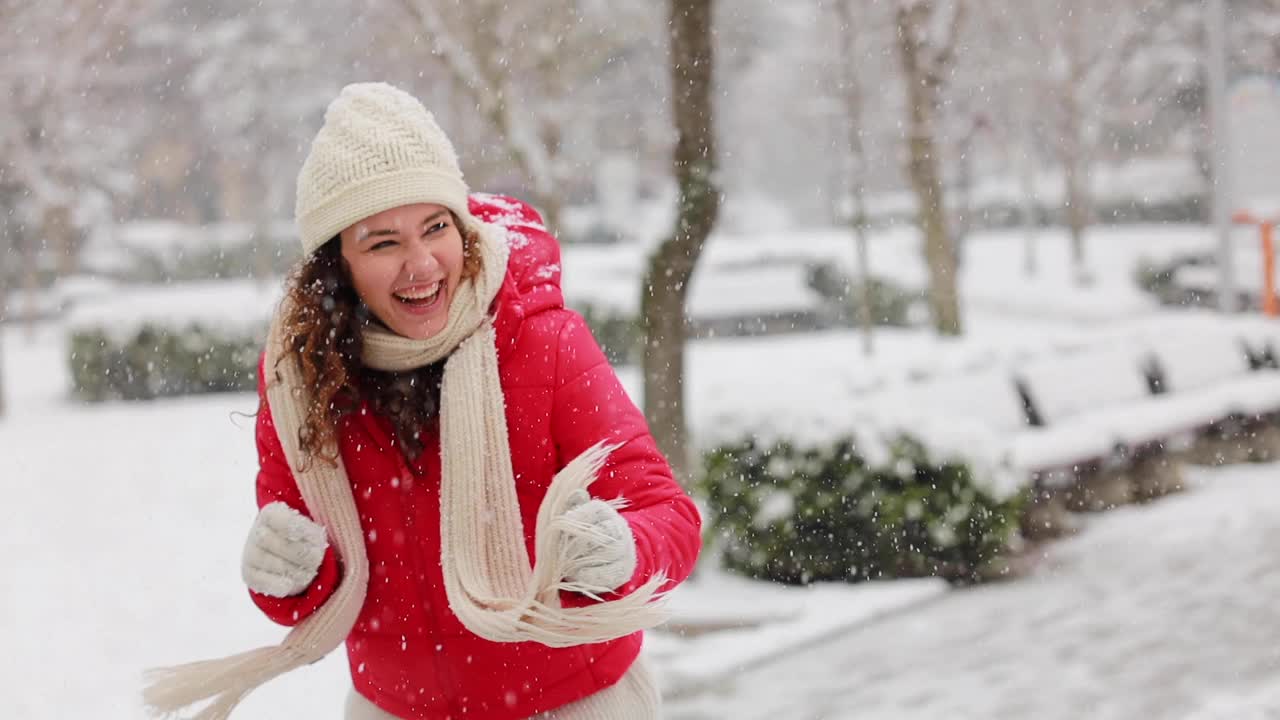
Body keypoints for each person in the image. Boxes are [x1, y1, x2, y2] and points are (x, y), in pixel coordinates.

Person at [143, 83, 701, 720]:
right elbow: (314, 590)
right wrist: (284, 574)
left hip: (570, 704)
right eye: (383, 242)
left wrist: (622, 548)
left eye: (435, 228)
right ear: (337, 266)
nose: (421, 265)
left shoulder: (542, 342)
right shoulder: (304, 383)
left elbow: (669, 515)